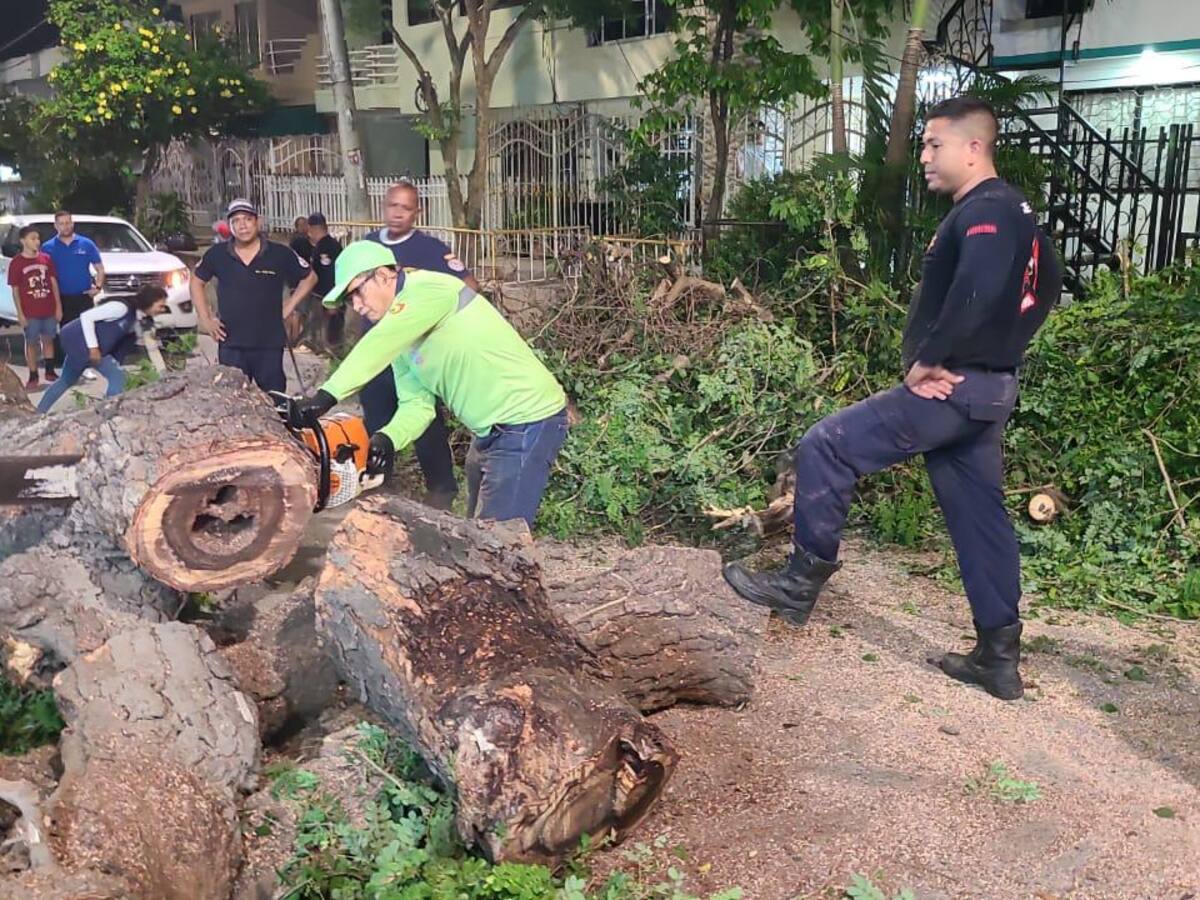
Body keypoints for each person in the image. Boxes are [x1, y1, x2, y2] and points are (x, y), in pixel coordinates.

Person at [722, 97, 1063, 702]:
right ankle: (997, 658)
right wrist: (998, 356)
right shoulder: (1015, 213)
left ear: (973, 148)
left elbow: (979, 290)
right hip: (986, 392)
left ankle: (798, 586)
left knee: (826, 445)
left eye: (935, 145)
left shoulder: (986, 211)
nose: (925, 156)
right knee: (979, 519)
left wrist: (932, 359)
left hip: (952, 389)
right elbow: (1046, 289)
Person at [290, 241, 568, 528]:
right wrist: (387, 440)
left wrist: (325, 396)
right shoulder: (403, 339)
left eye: (356, 292)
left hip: (526, 421)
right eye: (350, 301)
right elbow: (417, 405)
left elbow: (376, 344)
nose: (357, 306)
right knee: (477, 535)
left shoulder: (428, 289)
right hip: (488, 431)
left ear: (384, 274)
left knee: (501, 543)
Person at [359, 181, 482, 509]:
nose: (397, 213)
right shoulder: (368, 247)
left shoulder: (430, 250)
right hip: (378, 354)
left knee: (425, 420)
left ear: (418, 212)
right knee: (376, 419)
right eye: (392, 206)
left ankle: (441, 490)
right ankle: (377, 487)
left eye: (405, 208)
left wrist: (438, 325)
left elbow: (470, 285)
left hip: (415, 354)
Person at [190, 199, 318, 394]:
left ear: (257, 222)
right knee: (231, 402)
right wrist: (206, 318)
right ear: (230, 226)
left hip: (269, 344)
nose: (243, 226)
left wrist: (290, 305)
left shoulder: (279, 253)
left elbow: (310, 277)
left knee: (276, 402)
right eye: (236, 221)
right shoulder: (217, 255)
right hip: (231, 344)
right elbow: (196, 281)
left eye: (248, 219)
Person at [36, 286, 169, 412]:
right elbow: (87, 317)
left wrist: (164, 374)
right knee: (119, 379)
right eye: (160, 306)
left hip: (87, 347)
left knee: (66, 380)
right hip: (78, 341)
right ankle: (106, 413)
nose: (162, 310)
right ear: (149, 302)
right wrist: (93, 347)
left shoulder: (143, 322)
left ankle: (38, 413)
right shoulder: (121, 308)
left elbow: (152, 349)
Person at [42, 210, 105, 369]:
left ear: (73, 223)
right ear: (56, 226)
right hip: (61, 297)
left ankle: (86, 365)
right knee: (66, 332)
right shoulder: (48, 247)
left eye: (68, 222)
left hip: (83, 296)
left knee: (86, 330)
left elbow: (100, 269)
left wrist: (97, 287)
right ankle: (71, 364)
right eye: (61, 224)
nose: (65, 226)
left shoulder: (86, 244)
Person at [7, 225, 62, 390]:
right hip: (30, 311)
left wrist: (58, 306)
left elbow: (53, 283)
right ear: (23, 241)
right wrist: (20, 314)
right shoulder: (17, 263)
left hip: (48, 308)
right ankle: (33, 374)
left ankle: (50, 371)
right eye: (32, 238)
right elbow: (15, 290)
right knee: (31, 342)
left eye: (38, 238)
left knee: (48, 339)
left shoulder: (46, 259)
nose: (36, 242)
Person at [304, 212, 344, 349]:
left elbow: (329, 274)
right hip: (325, 295)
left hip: (326, 295)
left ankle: (330, 353)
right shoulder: (329, 244)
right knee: (319, 327)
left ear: (313, 229)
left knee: (329, 330)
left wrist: (332, 299)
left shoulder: (326, 247)